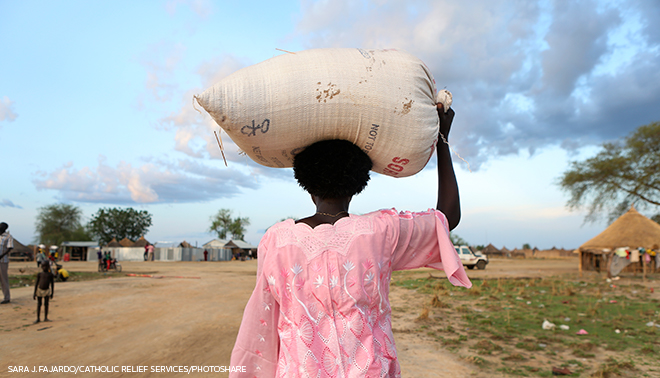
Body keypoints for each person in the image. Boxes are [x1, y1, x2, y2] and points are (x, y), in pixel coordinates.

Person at [229, 104, 471, 377]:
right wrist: (442, 139)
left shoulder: (276, 241)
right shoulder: (380, 232)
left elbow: (261, 323)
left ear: (307, 187)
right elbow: (447, 216)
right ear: (357, 186)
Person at [0, 222, 13, 304]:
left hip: (2, 261)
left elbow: (10, 248)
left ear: (5, 228)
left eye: (1, 226)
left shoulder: (8, 236)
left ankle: (6, 298)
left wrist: (1, 255)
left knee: (3, 279)